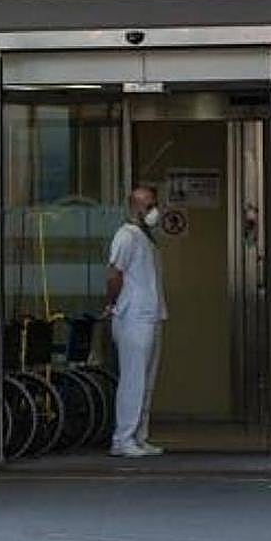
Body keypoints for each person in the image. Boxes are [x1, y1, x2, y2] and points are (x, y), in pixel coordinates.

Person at [105, 186, 168, 459]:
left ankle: (139, 436)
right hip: (132, 317)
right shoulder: (126, 236)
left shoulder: (146, 237)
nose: (154, 210)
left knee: (146, 381)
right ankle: (123, 438)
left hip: (151, 314)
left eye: (155, 204)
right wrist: (112, 304)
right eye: (149, 205)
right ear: (135, 207)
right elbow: (114, 274)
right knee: (133, 380)